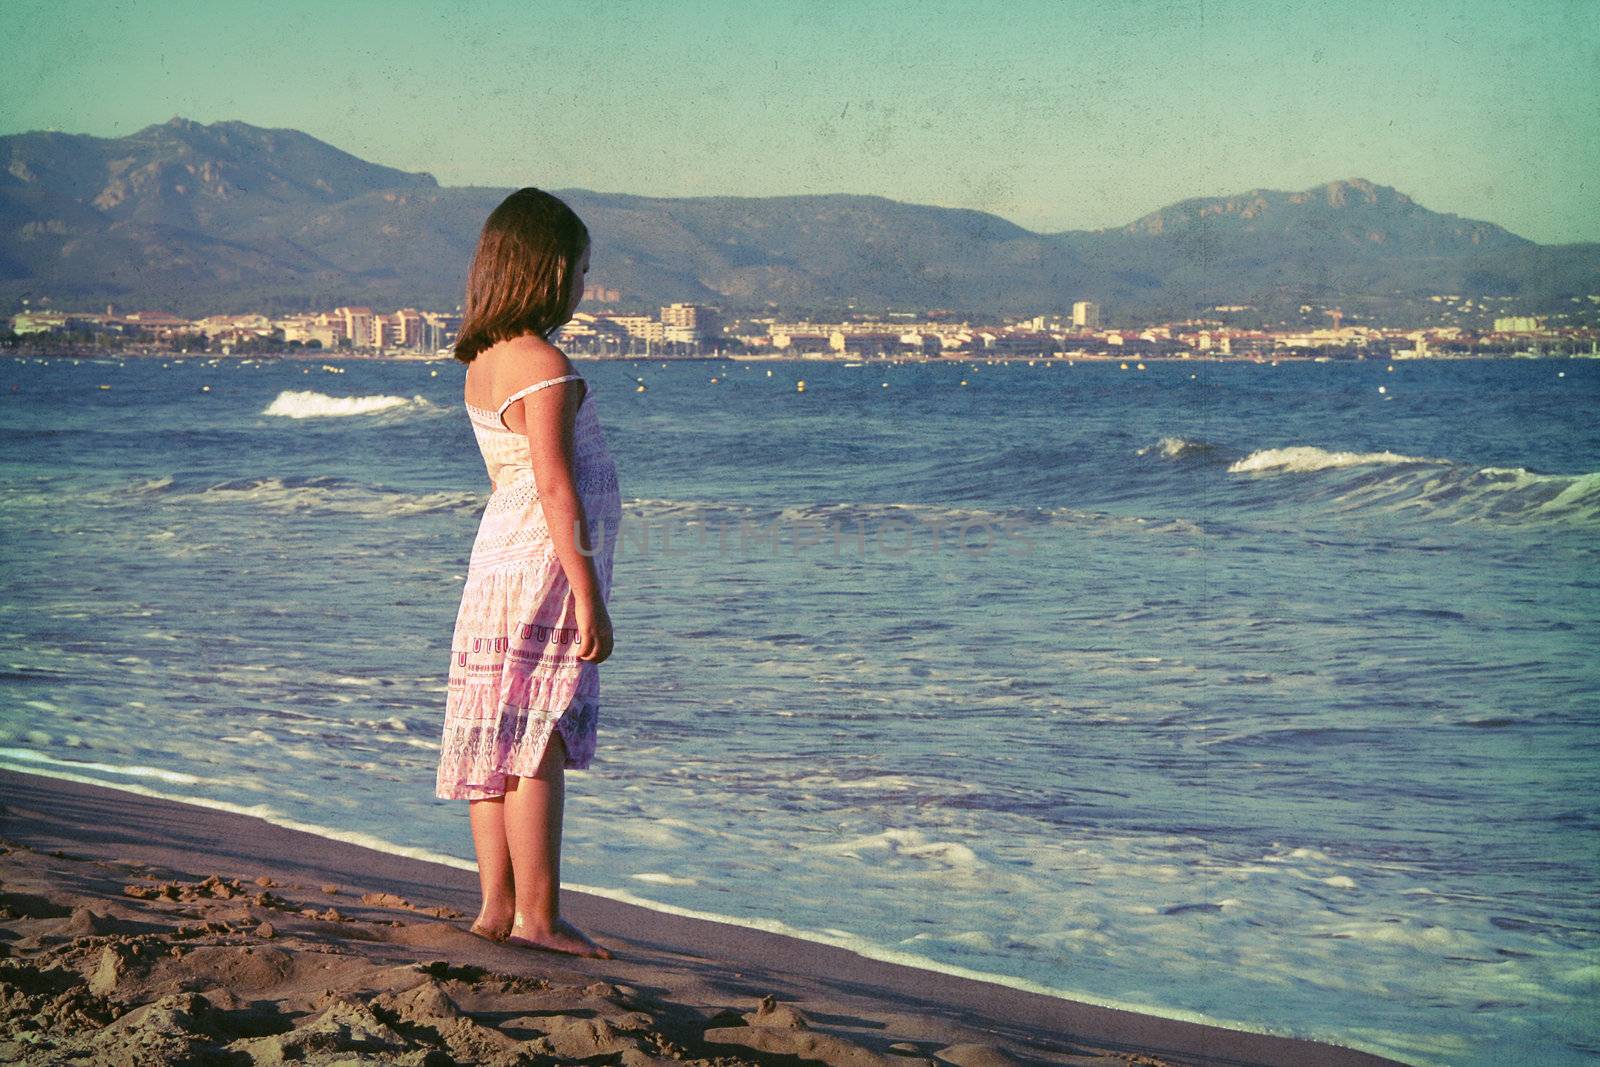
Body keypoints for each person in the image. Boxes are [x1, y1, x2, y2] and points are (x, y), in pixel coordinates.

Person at [434, 188, 622, 959]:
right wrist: (588, 595)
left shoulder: (485, 362)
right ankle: (538, 919)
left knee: (494, 734)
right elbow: (554, 484)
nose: (583, 288)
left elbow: (510, 480)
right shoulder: (543, 364)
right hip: (542, 567)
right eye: (579, 271)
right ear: (545, 270)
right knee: (535, 734)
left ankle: (495, 907)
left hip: (496, 564)